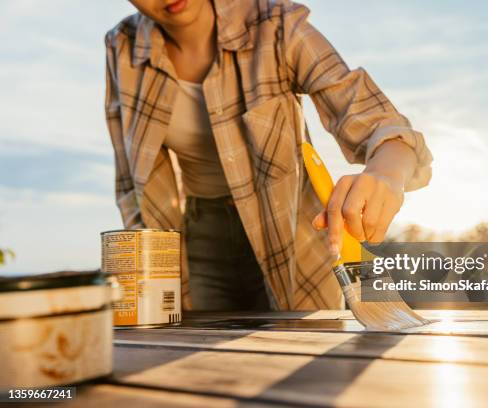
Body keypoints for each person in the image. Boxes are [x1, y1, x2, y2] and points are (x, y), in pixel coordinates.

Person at [104, 0, 433, 312]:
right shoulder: (122, 47)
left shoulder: (276, 24)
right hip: (201, 239)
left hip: (294, 233)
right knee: (201, 361)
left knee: (307, 357)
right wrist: (140, 278)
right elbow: (130, 183)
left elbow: (372, 116)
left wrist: (387, 172)